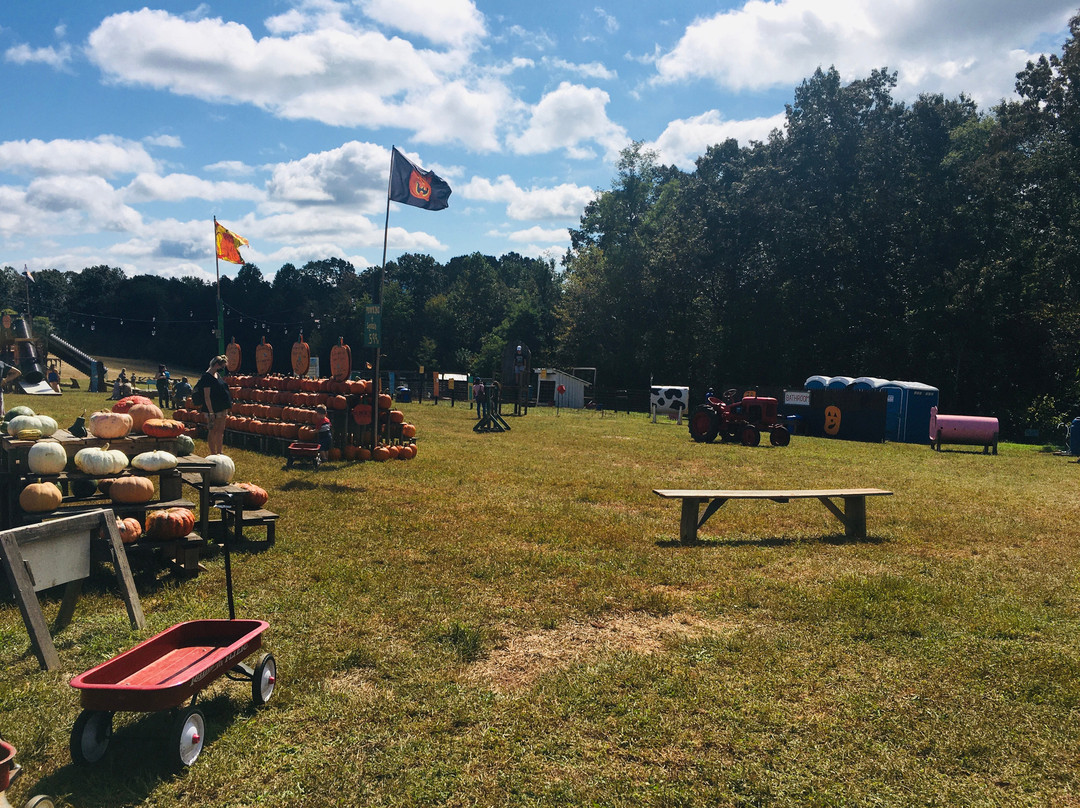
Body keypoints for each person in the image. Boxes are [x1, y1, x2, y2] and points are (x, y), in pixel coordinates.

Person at [199, 355, 232, 455]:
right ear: (217, 365)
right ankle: (213, 453)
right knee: (213, 430)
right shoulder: (206, 377)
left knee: (220, 431)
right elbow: (207, 396)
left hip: (222, 407)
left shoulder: (217, 375)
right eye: (222, 366)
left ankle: (219, 452)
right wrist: (211, 412)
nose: (223, 369)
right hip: (213, 408)